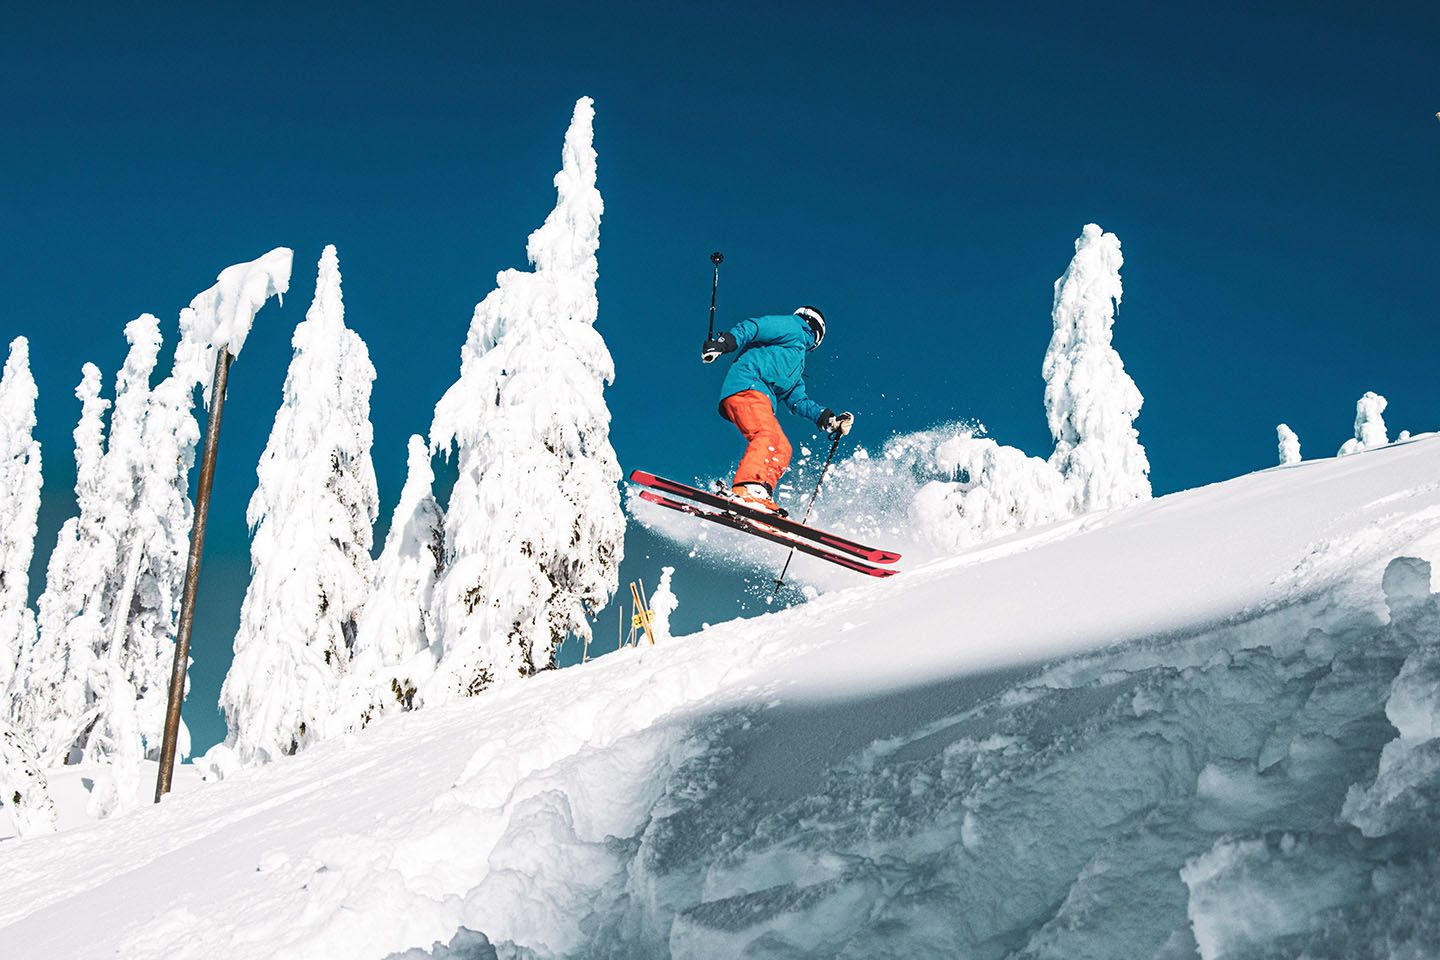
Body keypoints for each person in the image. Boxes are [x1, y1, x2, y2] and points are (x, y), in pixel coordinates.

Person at [701, 306, 854, 513]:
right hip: (748, 386)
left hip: (760, 399)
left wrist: (829, 420)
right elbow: (755, 327)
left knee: (782, 448)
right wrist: (723, 343)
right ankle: (747, 488)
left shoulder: (796, 366)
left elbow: (798, 401)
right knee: (767, 435)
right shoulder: (793, 327)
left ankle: (760, 494)